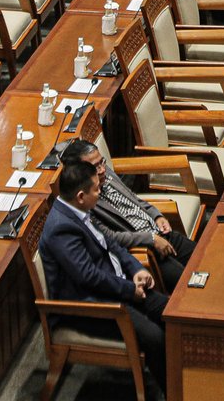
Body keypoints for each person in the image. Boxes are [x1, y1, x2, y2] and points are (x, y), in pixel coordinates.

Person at [40, 161, 168, 391]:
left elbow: (110, 244)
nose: (101, 193)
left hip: (117, 286)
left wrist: (136, 269)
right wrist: (130, 290)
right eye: (97, 190)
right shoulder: (61, 229)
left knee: (170, 312)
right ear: (81, 196)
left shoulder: (78, 210)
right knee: (155, 337)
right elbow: (88, 277)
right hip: (90, 306)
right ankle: (173, 391)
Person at [59, 140, 197, 291]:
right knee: (190, 284)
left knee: (205, 258)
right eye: (95, 167)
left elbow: (133, 198)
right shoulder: (86, 201)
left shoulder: (106, 172)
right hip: (146, 249)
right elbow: (110, 237)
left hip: (160, 232)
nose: (102, 169)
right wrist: (150, 239)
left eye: (102, 162)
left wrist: (156, 215)